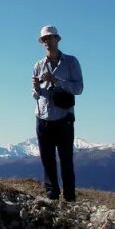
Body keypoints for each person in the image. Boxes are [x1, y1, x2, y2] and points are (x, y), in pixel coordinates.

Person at [32, 25, 84, 202]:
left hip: (64, 117)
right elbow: (36, 95)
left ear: (57, 39)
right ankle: (52, 195)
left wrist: (58, 81)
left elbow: (79, 88)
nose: (47, 41)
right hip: (43, 116)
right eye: (44, 39)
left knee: (66, 159)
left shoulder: (71, 62)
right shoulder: (38, 65)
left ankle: (69, 197)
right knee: (47, 159)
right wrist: (36, 89)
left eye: (50, 38)